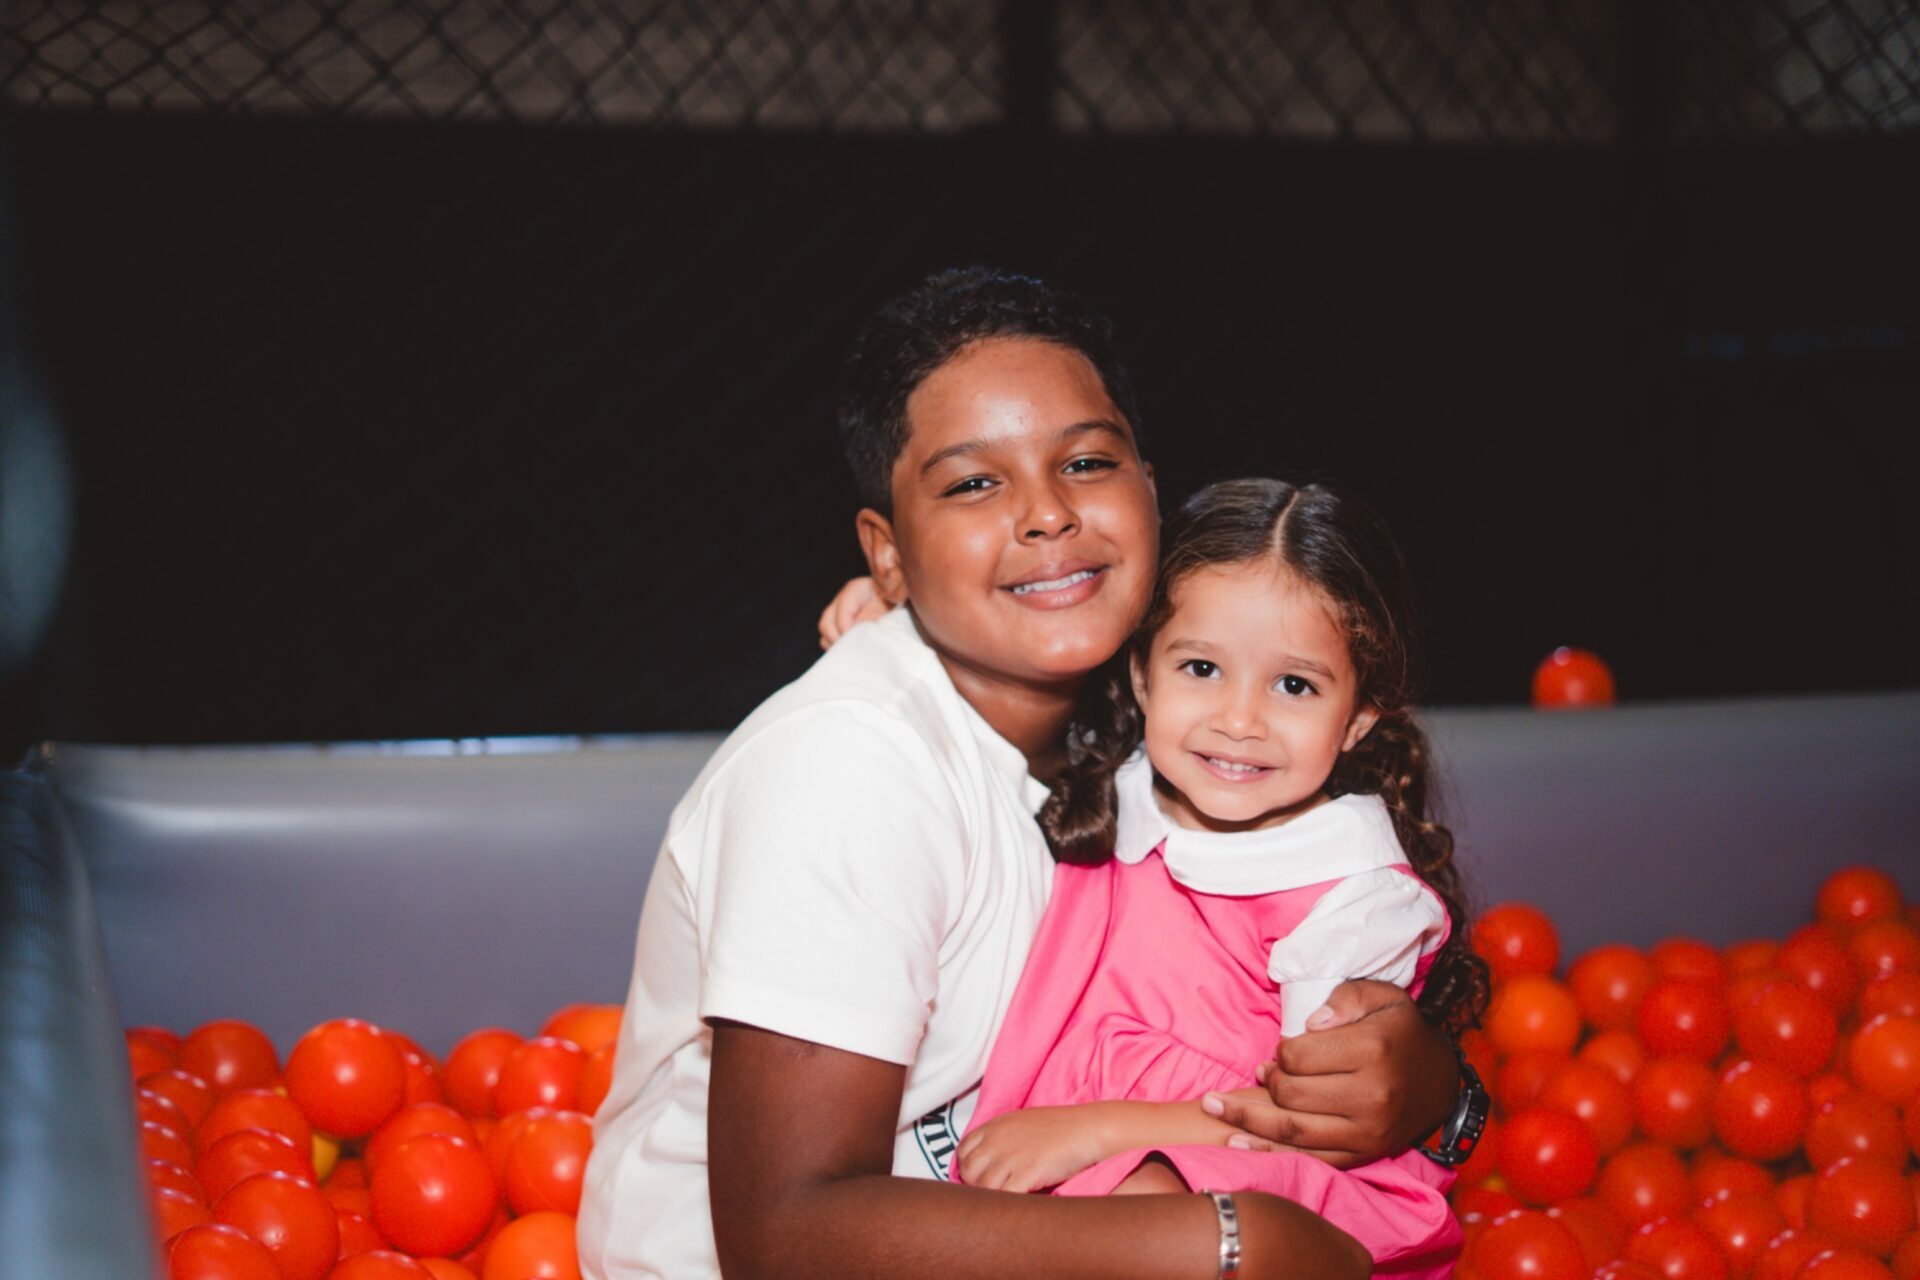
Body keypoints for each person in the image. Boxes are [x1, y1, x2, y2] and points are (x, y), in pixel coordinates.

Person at [577, 267, 1465, 1280]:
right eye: (973, 483)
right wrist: (1223, 1241)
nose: (1047, 512)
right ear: (889, 555)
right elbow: (782, 1239)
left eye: (1086, 462)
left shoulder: (1159, 719)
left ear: (1150, 494)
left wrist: (1438, 1089)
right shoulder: (845, 772)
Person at [948, 477, 1488, 1277]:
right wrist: (880, 620)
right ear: (1142, 673)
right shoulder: (1118, 784)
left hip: (1240, 1157)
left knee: (1150, 1221)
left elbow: (1306, 1123)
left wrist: (1094, 1132)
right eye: (1201, 667)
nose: (1238, 720)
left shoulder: (1350, 896)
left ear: (1359, 716)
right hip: (1048, 1130)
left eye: (1294, 685)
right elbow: (978, 692)